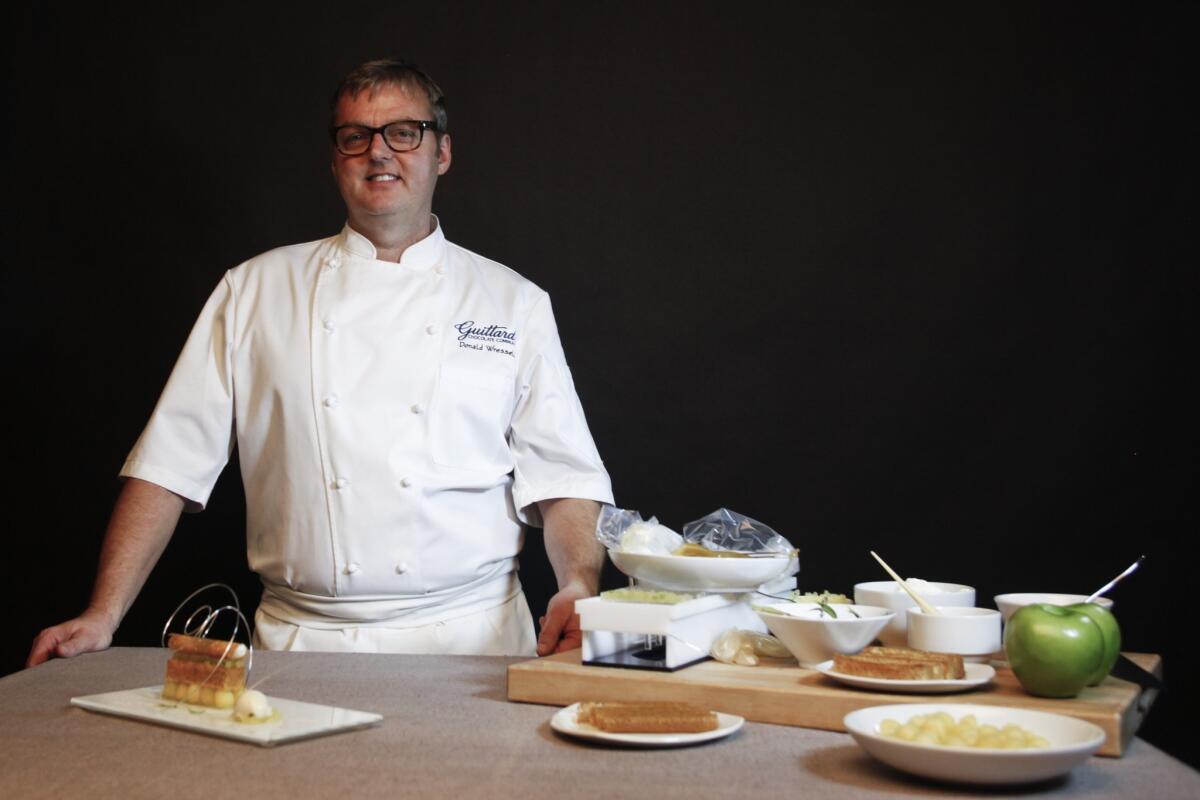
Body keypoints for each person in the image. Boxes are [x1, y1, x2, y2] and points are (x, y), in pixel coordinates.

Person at [27, 58, 612, 666]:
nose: (379, 153)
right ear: (336, 159)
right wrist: (103, 614)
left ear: (441, 153)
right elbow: (167, 465)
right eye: (355, 137)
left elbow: (565, 477)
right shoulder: (253, 290)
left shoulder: (512, 300)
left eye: (403, 133)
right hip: (302, 647)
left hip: (476, 645)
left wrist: (578, 584)